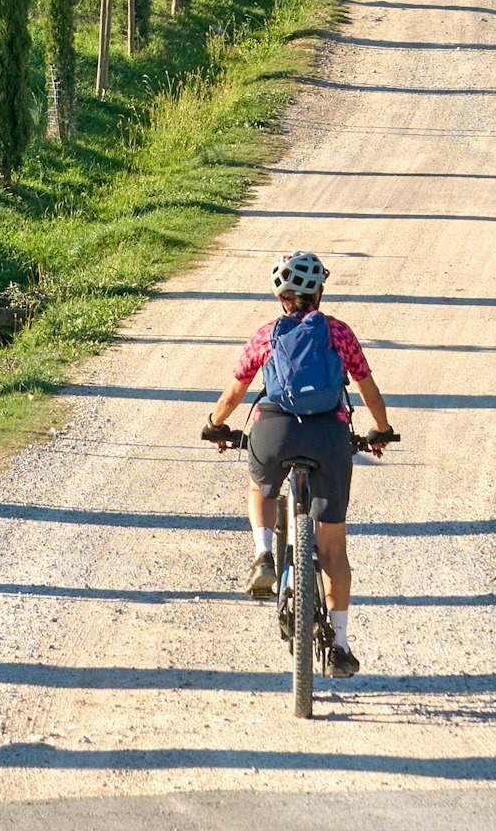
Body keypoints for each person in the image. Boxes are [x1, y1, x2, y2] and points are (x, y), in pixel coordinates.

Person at [201, 249, 396, 675]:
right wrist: (379, 431)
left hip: (274, 431)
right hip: (329, 435)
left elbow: (234, 394)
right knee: (333, 548)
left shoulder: (266, 335)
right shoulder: (339, 333)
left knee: (260, 483)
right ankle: (341, 644)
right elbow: (370, 393)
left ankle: (264, 555)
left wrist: (216, 425)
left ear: (281, 298)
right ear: (320, 293)